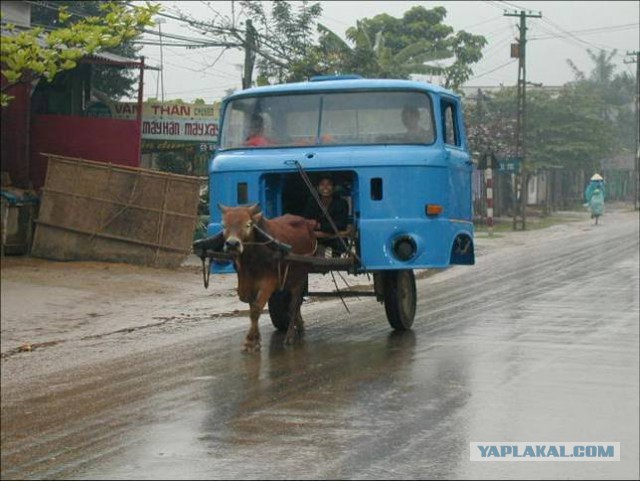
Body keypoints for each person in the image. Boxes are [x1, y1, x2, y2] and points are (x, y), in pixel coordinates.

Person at [303, 175, 350, 255]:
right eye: (322, 184)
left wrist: (320, 226)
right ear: (317, 188)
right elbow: (307, 222)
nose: (325, 187)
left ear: (333, 188)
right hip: (316, 239)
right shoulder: (311, 203)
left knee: (340, 249)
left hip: (336, 239)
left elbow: (341, 225)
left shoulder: (342, 203)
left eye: (329, 184)